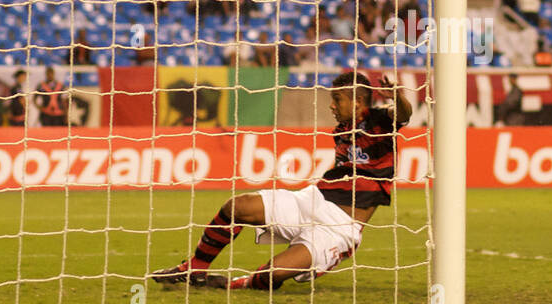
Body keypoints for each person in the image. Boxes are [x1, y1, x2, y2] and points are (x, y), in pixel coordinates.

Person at [150, 72, 411, 290]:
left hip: (339, 227)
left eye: (337, 99)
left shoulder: (380, 122)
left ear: (357, 102)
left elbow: (403, 115)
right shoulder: (342, 130)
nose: (332, 105)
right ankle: (194, 269)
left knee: (274, 273)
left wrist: (398, 97)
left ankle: (231, 284)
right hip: (312, 200)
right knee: (237, 207)